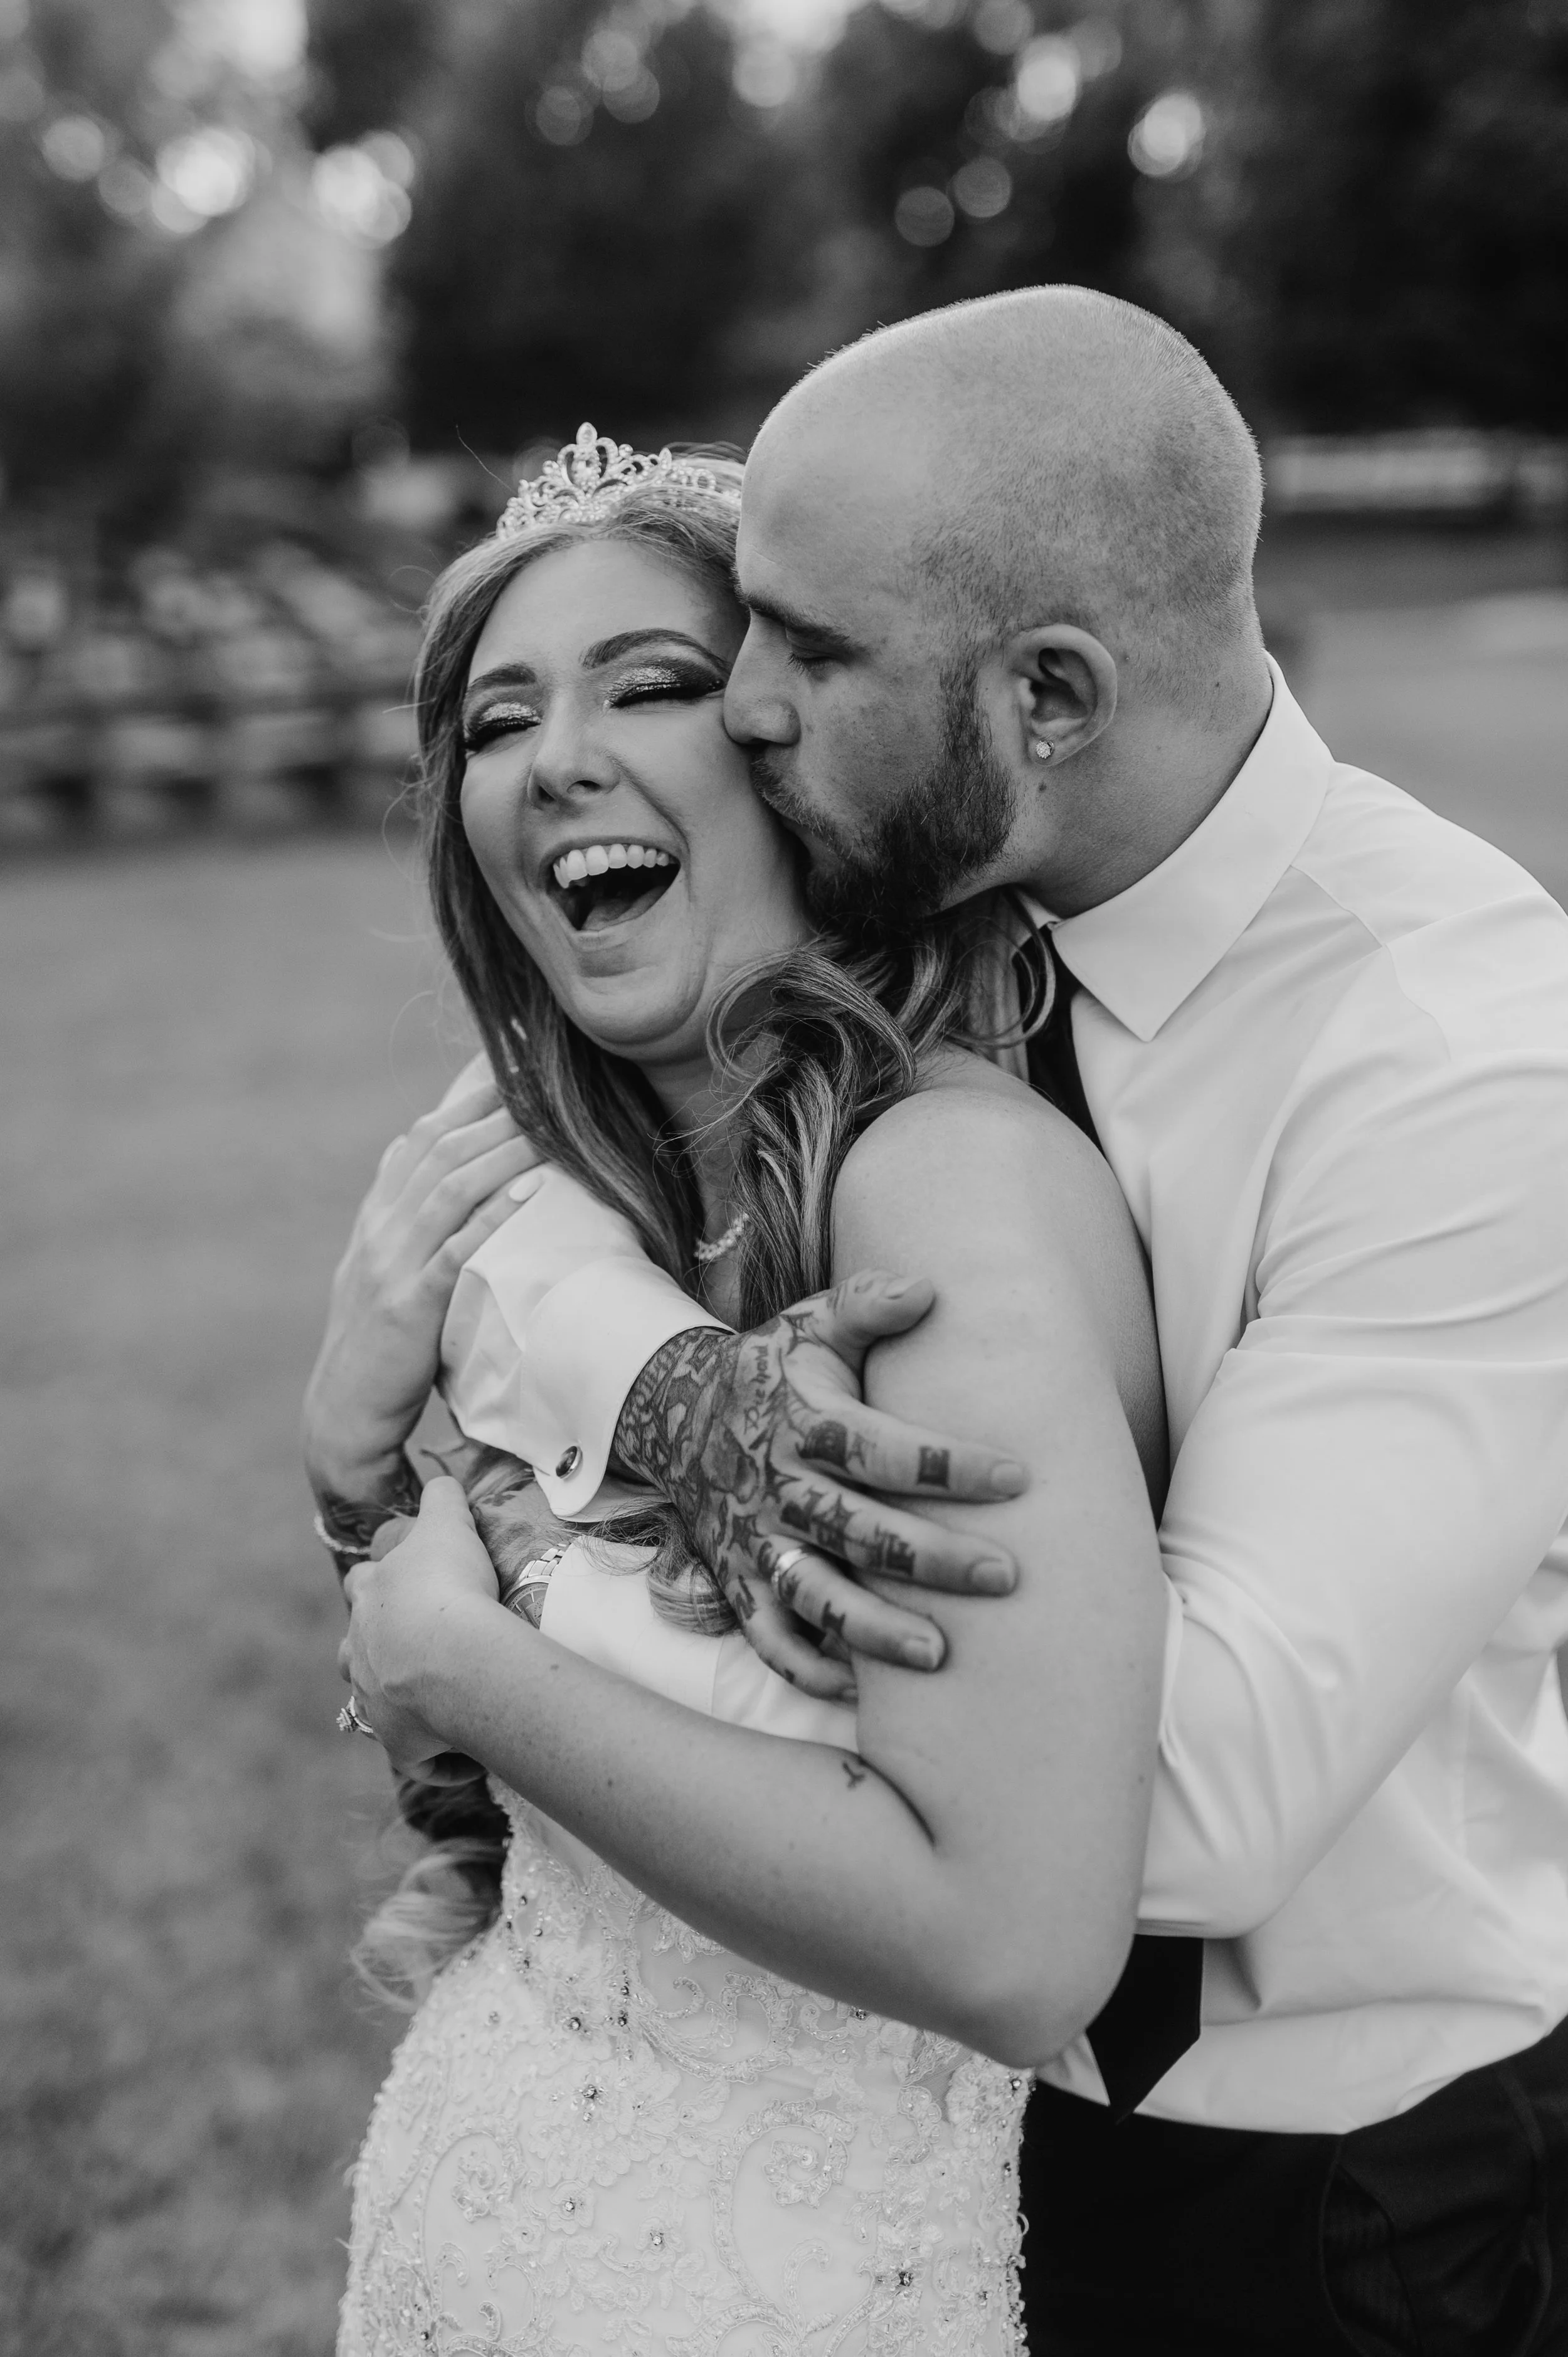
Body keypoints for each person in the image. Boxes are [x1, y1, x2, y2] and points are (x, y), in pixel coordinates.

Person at [336, 292, 1568, 2353]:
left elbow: (1158, 1804)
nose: (743, 712)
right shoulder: (904, 892)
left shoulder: (1459, 1059)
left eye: (801, 655)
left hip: (1317, 2194)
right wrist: (625, 1368)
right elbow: (513, 1210)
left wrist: (488, 1641)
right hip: (906, 2147)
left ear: (1047, 696)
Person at [313, 436, 1172, 2353]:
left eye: (651, 685)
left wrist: (462, 1664)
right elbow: (480, 1790)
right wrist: (343, 1449)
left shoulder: (940, 1194)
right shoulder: (548, 1194)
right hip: (479, 2214)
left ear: (800, 751)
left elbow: (1015, 1945)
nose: (556, 760)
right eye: (498, 718)